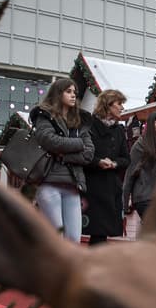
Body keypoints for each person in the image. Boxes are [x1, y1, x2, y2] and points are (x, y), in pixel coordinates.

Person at [30, 78, 95, 243]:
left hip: (72, 185)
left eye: (75, 92)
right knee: (55, 236)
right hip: (49, 182)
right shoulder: (44, 115)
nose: (73, 95)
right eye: (68, 91)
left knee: (73, 238)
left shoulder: (79, 122)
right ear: (58, 94)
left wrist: (63, 155)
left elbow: (89, 154)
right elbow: (48, 140)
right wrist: (78, 144)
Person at [82, 89, 130, 246]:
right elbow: (81, 155)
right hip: (92, 186)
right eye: (119, 104)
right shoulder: (89, 126)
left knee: (102, 235)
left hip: (111, 187)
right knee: (96, 232)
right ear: (107, 105)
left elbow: (126, 159)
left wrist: (115, 164)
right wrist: (98, 162)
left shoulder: (119, 130)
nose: (122, 108)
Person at [122, 111, 156, 219]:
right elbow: (129, 174)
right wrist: (124, 204)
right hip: (145, 196)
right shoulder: (140, 145)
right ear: (151, 125)